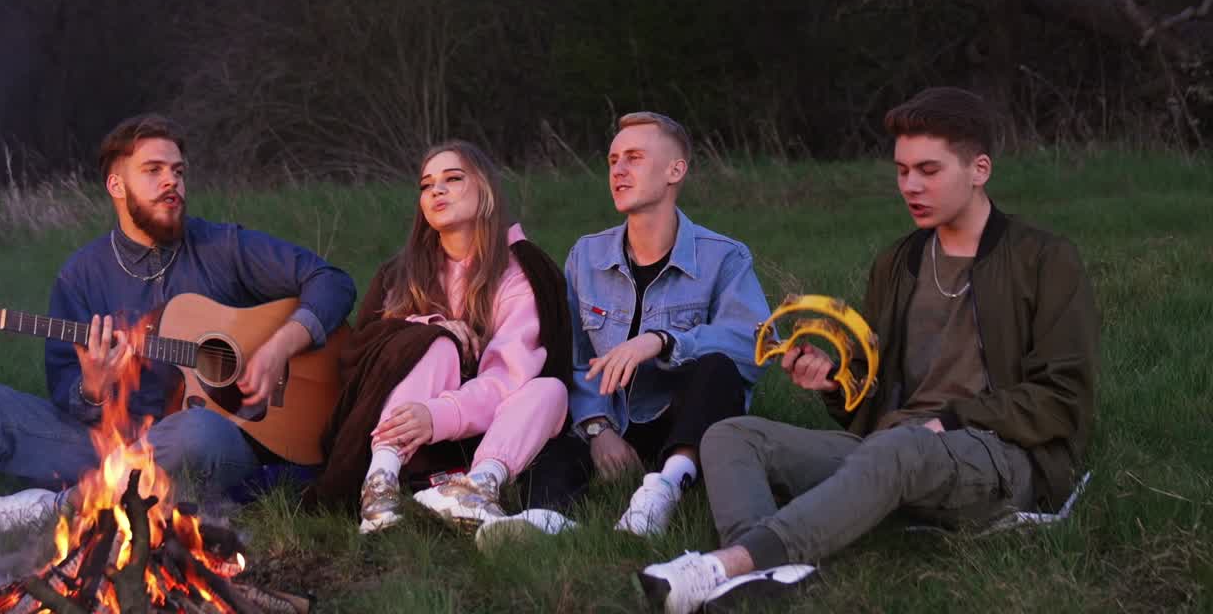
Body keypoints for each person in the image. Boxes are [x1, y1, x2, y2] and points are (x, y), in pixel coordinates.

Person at [638, 87, 1100, 613]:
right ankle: (772, 572)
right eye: (902, 171)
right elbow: (873, 390)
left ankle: (725, 565)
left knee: (896, 446)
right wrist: (837, 383)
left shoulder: (1044, 259)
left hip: (1000, 456)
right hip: (894, 445)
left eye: (928, 170)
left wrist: (947, 421)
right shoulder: (898, 262)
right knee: (729, 435)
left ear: (979, 169)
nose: (911, 186)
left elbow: (1062, 398)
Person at [0, 113, 357, 552]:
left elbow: (332, 282)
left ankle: (58, 505)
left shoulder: (222, 246)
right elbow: (66, 395)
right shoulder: (80, 276)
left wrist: (277, 347)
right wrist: (94, 389)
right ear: (117, 186)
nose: (171, 182)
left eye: (177, 171)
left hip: (206, 438)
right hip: (106, 442)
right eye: (153, 171)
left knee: (197, 432)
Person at [490, 111, 770, 542]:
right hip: (607, 417)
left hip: (680, 421)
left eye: (635, 158)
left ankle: (662, 491)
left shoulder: (725, 258)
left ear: (675, 170)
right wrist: (598, 429)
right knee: (549, 418)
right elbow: (575, 358)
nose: (618, 170)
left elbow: (754, 346)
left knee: (719, 369)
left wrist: (661, 340)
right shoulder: (586, 256)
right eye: (613, 160)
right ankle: (546, 517)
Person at [309, 140, 571, 532]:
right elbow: (362, 357)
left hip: (483, 432)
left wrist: (437, 415)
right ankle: (379, 484)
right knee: (436, 344)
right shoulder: (399, 275)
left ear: (485, 191)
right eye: (426, 185)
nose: (436, 190)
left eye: (452, 178)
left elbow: (509, 379)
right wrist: (427, 329)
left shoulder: (520, 271)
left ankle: (477, 488)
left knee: (550, 390)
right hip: (398, 436)